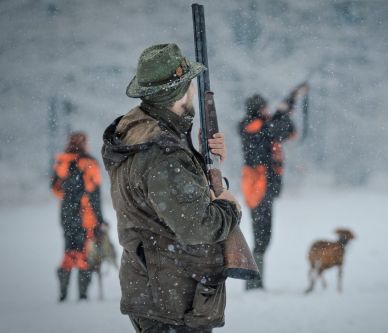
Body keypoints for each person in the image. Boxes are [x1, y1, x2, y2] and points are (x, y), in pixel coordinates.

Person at [101, 43, 241, 333]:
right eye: (189, 82)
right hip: (174, 301)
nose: (193, 89)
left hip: (158, 291)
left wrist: (204, 162)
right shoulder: (164, 155)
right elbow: (198, 226)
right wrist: (229, 206)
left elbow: (166, 201)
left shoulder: (137, 130)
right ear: (181, 92)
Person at [239, 84, 309, 290]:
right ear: (257, 110)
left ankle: (256, 281)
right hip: (257, 190)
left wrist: (287, 106)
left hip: (264, 190)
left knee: (264, 237)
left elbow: (289, 131)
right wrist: (284, 110)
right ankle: (253, 283)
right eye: (264, 109)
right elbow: (277, 128)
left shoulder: (261, 125)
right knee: (261, 237)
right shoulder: (251, 126)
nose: (267, 111)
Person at [51, 131, 107, 301]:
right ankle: (82, 295)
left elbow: (55, 188)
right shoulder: (90, 163)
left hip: (67, 215)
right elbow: (95, 193)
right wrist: (100, 219)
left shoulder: (62, 161)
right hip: (86, 215)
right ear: (85, 143)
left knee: (69, 251)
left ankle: (63, 294)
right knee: (84, 252)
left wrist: (70, 199)